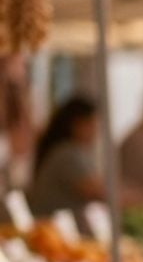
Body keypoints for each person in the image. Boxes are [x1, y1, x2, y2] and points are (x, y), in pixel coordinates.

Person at [28, 94, 104, 224]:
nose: (95, 131)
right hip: (50, 227)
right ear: (76, 124)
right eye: (91, 124)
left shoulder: (75, 151)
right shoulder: (66, 153)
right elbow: (97, 191)